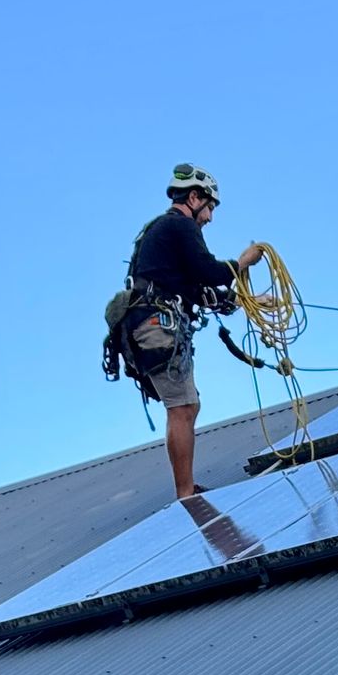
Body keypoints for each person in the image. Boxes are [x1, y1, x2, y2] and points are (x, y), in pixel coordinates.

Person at [125, 164, 266, 498]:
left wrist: (251, 302)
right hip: (157, 325)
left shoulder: (164, 234)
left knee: (187, 405)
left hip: (153, 323)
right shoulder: (179, 226)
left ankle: (186, 488)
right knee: (183, 407)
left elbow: (197, 289)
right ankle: (185, 492)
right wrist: (243, 262)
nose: (210, 218)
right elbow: (207, 272)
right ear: (194, 197)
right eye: (210, 208)